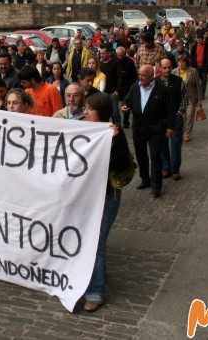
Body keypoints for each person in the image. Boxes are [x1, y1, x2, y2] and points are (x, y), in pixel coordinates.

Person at [81, 92, 134, 313]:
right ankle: (88, 276)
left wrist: (110, 141)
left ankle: (95, 292)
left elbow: (122, 163)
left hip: (107, 196)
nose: (84, 112)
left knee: (97, 242)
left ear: (100, 112)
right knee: (88, 241)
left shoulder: (114, 133)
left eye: (89, 109)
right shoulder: (81, 129)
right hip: (86, 196)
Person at [121, 64, 174, 199]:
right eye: (139, 74)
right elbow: (127, 101)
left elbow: (170, 109)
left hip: (156, 129)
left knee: (155, 157)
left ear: (151, 76)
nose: (141, 77)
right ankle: (145, 180)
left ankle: (157, 186)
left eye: (143, 75)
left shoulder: (161, 89)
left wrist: (170, 126)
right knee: (141, 155)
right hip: (139, 128)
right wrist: (125, 107)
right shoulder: (135, 87)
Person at [157, 59, 188, 181]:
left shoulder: (179, 81)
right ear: (159, 68)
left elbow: (185, 97)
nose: (167, 70)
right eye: (164, 68)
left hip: (175, 117)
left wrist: (180, 112)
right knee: (162, 144)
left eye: (169, 67)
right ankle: (166, 167)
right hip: (160, 118)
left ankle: (175, 169)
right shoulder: (155, 82)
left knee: (175, 144)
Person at [172, 55, 202, 142]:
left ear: (186, 63)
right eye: (179, 62)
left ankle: (187, 134)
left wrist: (199, 99)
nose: (181, 64)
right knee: (179, 116)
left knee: (189, 116)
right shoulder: (174, 71)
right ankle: (179, 132)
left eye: (183, 62)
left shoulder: (193, 71)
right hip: (178, 99)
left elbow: (198, 86)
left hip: (190, 98)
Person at [189, 34, 208, 98]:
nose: (198, 41)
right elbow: (192, 57)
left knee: (204, 81)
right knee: (195, 82)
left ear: (203, 39)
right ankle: (196, 94)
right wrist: (192, 66)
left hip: (204, 67)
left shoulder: (207, 47)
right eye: (197, 40)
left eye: (200, 40)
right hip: (196, 67)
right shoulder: (194, 46)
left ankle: (202, 95)